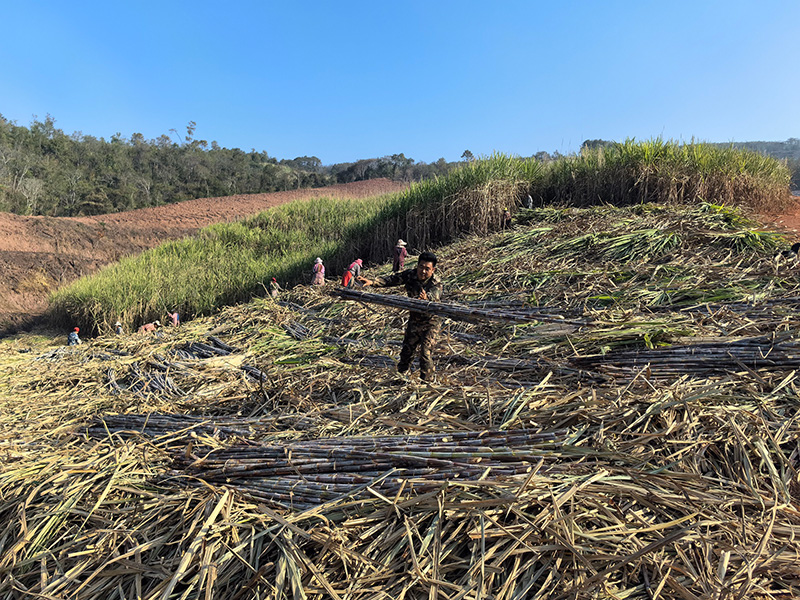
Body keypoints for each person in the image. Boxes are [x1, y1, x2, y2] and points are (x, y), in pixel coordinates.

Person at [358, 251, 442, 381]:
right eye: (421, 267)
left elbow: (435, 297)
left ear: (433, 270)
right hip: (415, 319)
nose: (423, 271)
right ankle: (400, 377)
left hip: (430, 322)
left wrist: (426, 298)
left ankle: (426, 382)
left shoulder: (436, 282)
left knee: (425, 353)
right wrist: (373, 282)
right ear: (417, 265)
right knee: (407, 351)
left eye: (427, 269)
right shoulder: (410, 275)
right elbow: (392, 279)